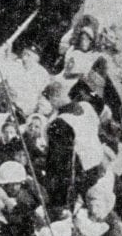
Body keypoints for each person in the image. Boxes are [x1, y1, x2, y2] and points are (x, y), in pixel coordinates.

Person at [42, 78, 104, 209]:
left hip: (82, 172)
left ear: (54, 98)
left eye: (50, 100)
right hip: (99, 163)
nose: (50, 104)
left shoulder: (60, 123)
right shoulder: (86, 106)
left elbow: (62, 163)